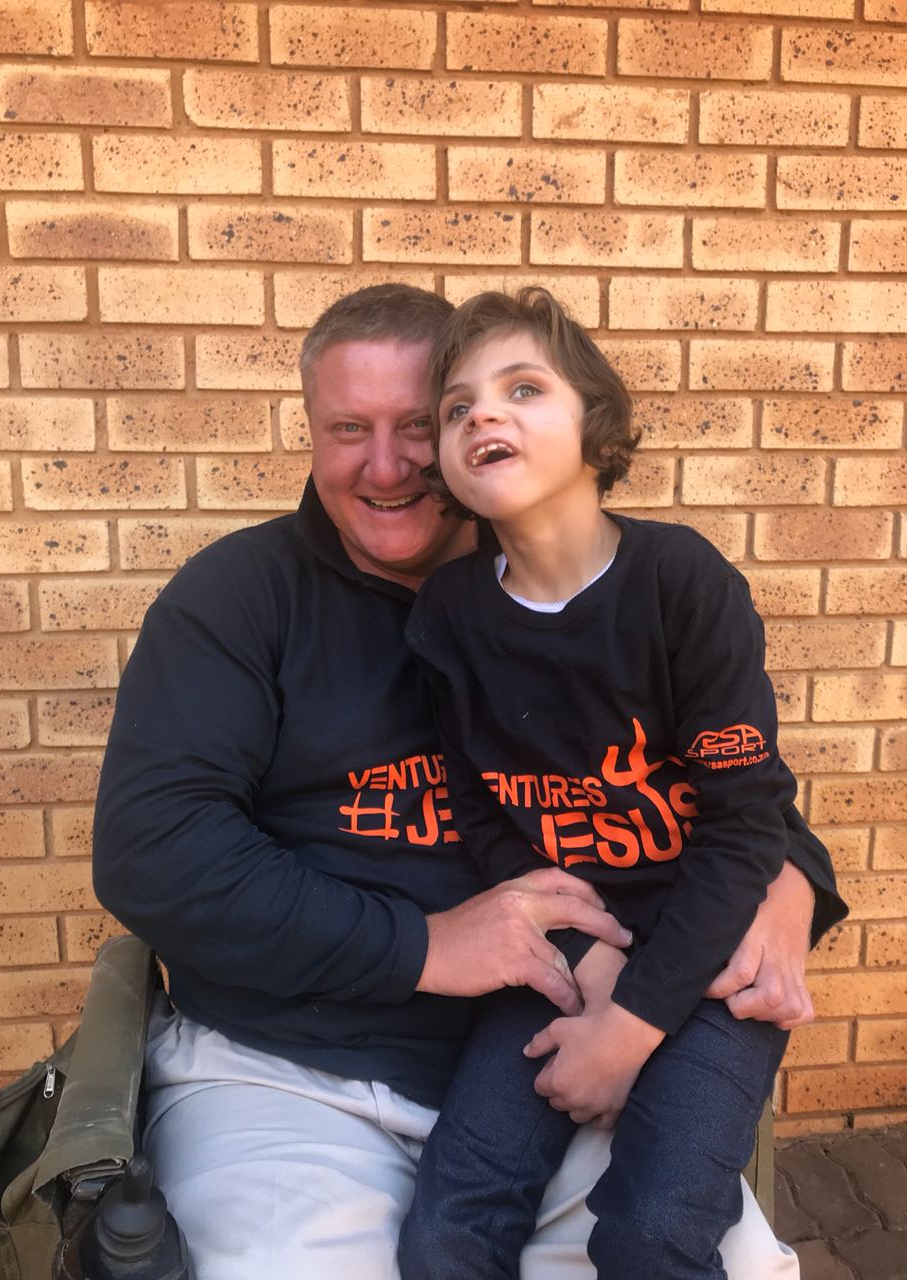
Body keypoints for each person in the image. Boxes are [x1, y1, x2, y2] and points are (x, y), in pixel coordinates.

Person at [92, 284, 845, 1280]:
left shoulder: (584, 585)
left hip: (561, 1047)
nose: (386, 464)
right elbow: (154, 853)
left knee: (725, 1260)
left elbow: (722, 792)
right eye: (349, 429)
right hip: (295, 1072)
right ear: (310, 432)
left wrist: (794, 883)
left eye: (417, 424)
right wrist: (426, 944)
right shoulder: (238, 599)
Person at [399, 287, 847, 1280]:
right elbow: (477, 807)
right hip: (567, 950)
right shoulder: (450, 616)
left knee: (650, 1232)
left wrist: (630, 1026)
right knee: (444, 1235)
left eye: (523, 388)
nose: (483, 414)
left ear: (593, 424)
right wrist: (583, 949)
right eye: (457, 407)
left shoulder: (680, 581)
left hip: (710, 953)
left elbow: (745, 825)